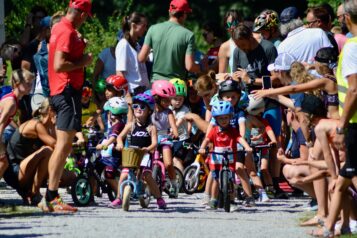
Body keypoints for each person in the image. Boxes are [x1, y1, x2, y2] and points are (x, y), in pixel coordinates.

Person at [38, 0, 93, 213]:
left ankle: (50, 197)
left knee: (63, 146)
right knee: (63, 146)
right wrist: (84, 61)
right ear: (79, 13)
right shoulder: (66, 31)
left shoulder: (61, 27)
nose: (85, 20)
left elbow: (66, 54)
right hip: (66, 91)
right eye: (86, 16)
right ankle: (51, 197)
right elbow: (59, 64)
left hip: (61, 91)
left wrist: (81, 47)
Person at [312, 0, 357, 236]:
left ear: (347, 18)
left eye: (340, 16)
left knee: (349, 174)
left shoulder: (351, 47)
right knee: (344, 178)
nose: (339, 20)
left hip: (354, 122)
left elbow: (353, 89)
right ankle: (338, 226)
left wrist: (341, 124)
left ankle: (334, 227)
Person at [113, 92, 167, 209]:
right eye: (135, 106)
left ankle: (159, 198)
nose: (138, 109)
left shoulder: (151, 127)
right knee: (124, 174)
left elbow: (154, 143)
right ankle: (118, 197)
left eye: (142, 107)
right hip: (132, 154)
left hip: (145, 155)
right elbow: (119, 137)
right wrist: (120, 143)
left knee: (147, 175)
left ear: (149, 111)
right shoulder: (130, 125)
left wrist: (148, 149)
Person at [253, 47, 339, 120]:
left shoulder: (325, 81)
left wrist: (268, 92)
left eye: (315, 62)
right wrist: (275, 96)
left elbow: (294, 89)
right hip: (332, 119)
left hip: (332, 120)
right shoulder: (334, 77)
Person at [199, 100, 252, 209]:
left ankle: (232, 201)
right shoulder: (214, 130)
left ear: (230, 117)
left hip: (230, 157)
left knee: (231, 181)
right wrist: (202, 148)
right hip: (217, 158)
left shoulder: (233, 130)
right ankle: (213, 199)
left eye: (226, 118)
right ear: (216, 119)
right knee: (216, 180)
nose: (223, 121)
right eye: (220, 118)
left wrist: (247, 147)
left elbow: (239, 138)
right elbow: (207, 139)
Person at [3, 98, 57, 206]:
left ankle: (28, 192)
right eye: (59, 111)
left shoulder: (47, 127)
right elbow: (56, 145)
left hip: (25, 168)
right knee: (47, 151)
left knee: (69, 177)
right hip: (15, 171)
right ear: (50, 110)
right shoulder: (36, 124)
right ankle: (34, 193)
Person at [138, 0, 202, 80]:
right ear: (184, 14)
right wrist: (202, 68)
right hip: (176, 86)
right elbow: (189, 66)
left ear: (169, 12)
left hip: (156, 84)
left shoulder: (153, 29)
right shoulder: (188, 35)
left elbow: (141, 58)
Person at [0, 69, 35, 180]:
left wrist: (19, 129)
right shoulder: (11, 103)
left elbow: (8, 120)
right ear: (17, 84)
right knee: (3, 162)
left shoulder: (14, 99)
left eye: (31, 83)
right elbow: (1, 124)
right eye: (27, 83)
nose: (30, 86)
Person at [151, 80, 179, 198]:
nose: (169, 102)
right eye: (166, 100)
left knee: (168, 163)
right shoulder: (149, 110)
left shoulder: (169, 112)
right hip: (151, 138)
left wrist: (175, 132)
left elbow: (173, 124)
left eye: (170, 99)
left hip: (164, 138)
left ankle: (174, 183)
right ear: (156, 98)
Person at [96, 97, 128, 197]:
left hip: (116, 155)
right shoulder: (113, 124)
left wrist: (104, 145)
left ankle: (120, 194)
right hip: (110, 154)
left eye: (108, 112)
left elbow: (113, 138)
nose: (107, 115)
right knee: (96, 165)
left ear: (112, 114)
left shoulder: (119, 125)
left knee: (108, 174)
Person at [116, 12, 150, 95]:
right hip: (132, 92)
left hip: (143, 91)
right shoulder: (124, 44)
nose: (145, 29)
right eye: (144, 26)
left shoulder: (137, 45)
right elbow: (120, 73)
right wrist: (127, 94)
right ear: (134, 26)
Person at [170, 78, 191, 173]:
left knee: (176, 160)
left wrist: (173, 129)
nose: (178, 101)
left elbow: (179, 122)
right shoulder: (168, 109)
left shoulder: (185, 109)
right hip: (170, 139)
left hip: (182, 139)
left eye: (180, 99)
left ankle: (181, 182)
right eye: (175, 98)